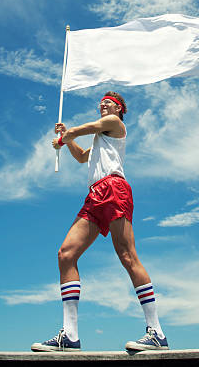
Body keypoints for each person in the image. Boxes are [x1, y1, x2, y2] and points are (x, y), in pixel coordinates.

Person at [31, 91, 168, 353]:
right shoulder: (101, 139)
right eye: (101, 102)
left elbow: (89, 127)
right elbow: (83, 156)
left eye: (109, 102)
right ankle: (70, 336)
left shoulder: (116, 125)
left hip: (114, 189)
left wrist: (67, 133)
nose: (103, 104)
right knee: (66, 254)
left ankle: (157, 333)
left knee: (128, 256)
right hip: (94, 195)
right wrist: (67, 141)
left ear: (119, 110)